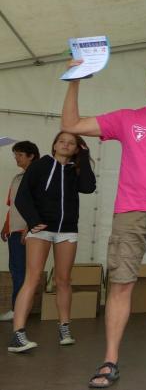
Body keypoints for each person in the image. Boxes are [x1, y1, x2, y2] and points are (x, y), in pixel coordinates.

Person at [60, 59, 146, 386]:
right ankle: (109, 361)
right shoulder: (127, 119)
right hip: (129, 213)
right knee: (121, 284)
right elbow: (71, 124)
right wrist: (75, 80)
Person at [7, 132, 95, 352]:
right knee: (33, 278)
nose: (65, 144)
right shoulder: (40, 165)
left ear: (76, 148)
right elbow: (22, 196)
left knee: (63, 280)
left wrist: (84, 157)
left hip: (67, 230)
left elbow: (88, 187)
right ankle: (18, 334)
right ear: (54, 145)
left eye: (71, 143)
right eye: (61, 141)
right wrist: (33, 221)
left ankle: (64, 328)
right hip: (42, 230)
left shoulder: (75, 169)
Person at [1, 141, 40, 323]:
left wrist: (29, 228)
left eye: (20, 155)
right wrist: (6, 225)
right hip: (14, 230)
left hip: (27, 232)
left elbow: (39, 206)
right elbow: (13, 206)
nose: (16, 158)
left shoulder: (37, 177)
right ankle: (17, 309)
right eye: (15, 154)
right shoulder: (17, 178)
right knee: (16, 269)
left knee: (23, 272)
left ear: (31, 156)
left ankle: (19, 311)